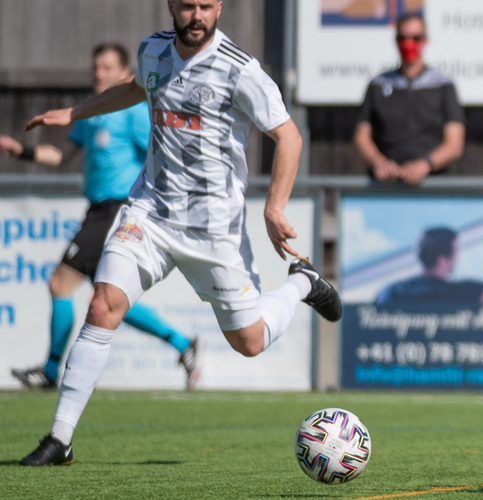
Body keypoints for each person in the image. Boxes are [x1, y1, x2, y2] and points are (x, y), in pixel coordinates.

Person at [19, 0, 342, 467]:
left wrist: (274, 207)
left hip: (214, 229)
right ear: (171, 5)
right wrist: (76, 112)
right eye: (188, 5)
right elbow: (135, 87)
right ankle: (60, 438)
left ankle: (302, 283)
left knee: (250, 342)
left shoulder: (240, 70)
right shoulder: (153, 51)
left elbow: (289, 137)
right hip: (149, 213)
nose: (197, 15)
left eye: (206, 6)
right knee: (102, 305)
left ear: (220, 7)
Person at [3, 43, 204, 392]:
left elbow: (161, 152)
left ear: (125, 73)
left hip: (117, 209)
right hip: (98, 210)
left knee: (62, 283)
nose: (98, 74)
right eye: (96, 67)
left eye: (107, 68)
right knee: (108, 298)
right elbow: (62, 156)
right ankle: (182, 344)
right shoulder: (93, 113)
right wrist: (21, 151)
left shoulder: (133, 112)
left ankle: (50, 371)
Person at [354, 13, 465, 185]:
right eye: (403, 38)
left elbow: (455, 144)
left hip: (433, 185)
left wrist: (425, 164)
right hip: (385, 186)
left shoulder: (443, 85)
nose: (408, 44)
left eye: (415, 38)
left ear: (425, 41)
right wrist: (379, 162)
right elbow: (362, 136)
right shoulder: (378, 84)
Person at [375, 227, 483, 305]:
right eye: (456, 252)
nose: (458, 257)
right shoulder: (459, 292)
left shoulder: (392, 292)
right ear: (443, 261)